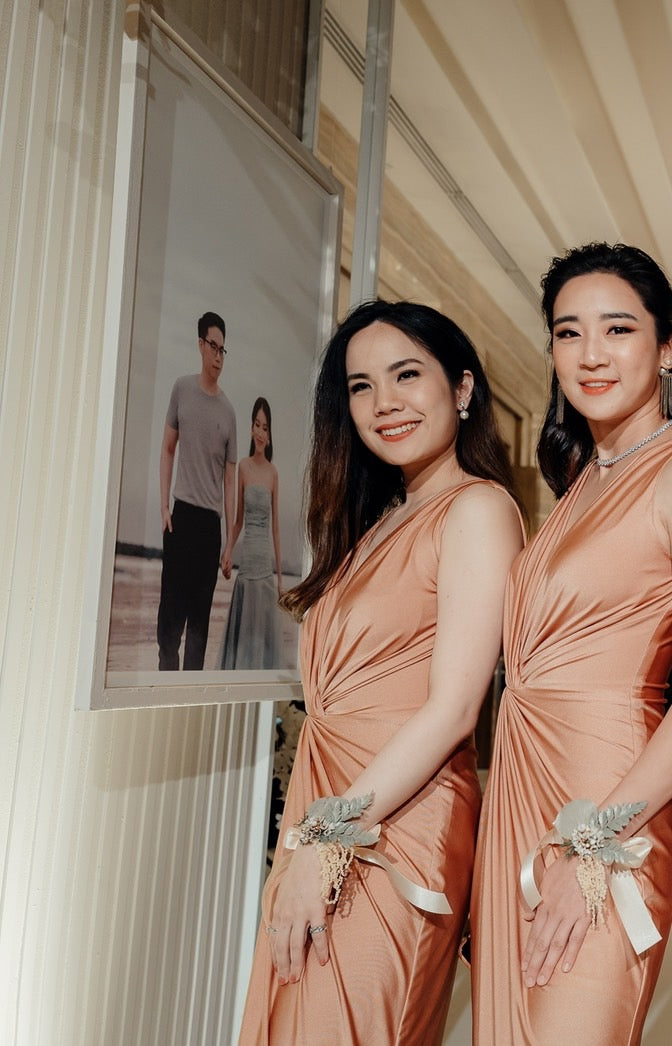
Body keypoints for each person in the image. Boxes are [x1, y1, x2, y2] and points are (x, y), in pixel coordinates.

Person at [470, 243, 672, 1045]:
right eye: (568, 332)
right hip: (523, 794)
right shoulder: (580, 480)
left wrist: (596, 841)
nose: (590, 354)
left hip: (605, 803)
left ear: (667, 348)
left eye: (618, 329)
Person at [238, 301, 523, 1045]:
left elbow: (455, 708)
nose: (384, 402)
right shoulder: (380, 519)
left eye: (406, 375)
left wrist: (327, 840)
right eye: (361, 386)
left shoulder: (478, 510)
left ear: (462, 390)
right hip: (334, 808)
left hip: (395, 826)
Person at [157, 310, 237, 669]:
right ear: (201, 345)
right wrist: (163, 508)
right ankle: (163, 689)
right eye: (213, 347)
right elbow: (167, 448)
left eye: (223, 350)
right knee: (169, 620)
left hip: (209, 528)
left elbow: (230, 481)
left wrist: (229, 542)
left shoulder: (229, 412)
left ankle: (185, 688)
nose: (218, 357)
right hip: (181, 517)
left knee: (199, 625)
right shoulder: (182, 389)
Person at [219, 397, 283, 669]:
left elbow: (276, 528)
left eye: (265, 427)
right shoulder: (243, 467)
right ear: (251, 428)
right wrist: (228, 550)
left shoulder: (273, 473)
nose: (260, 431)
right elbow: (237, 521)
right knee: (242, 643)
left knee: (262, 642)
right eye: (257, 425)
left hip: (264, 567)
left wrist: (281, 579)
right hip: (246, 567)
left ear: (269, 435)